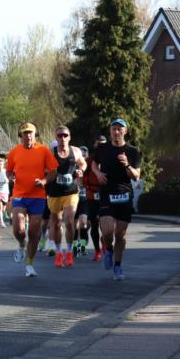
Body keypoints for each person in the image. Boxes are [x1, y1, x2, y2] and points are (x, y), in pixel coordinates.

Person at [5, 122, 58, 277]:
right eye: (25, 132)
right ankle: (21, 243)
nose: (28, 135)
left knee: (34, 231)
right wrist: (11, 177)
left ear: (35, 134)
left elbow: (53, 172)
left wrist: (43, 181)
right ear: (20, 135)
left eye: (31, 132)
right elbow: (8, 171)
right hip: (20, 195)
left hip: (37, 196)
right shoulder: (14, 151)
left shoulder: (43, 150)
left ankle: (29, 264)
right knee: (18, 229)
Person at [92, 118, 142, 281]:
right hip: (107, 194)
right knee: (107, 232)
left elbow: (136, 176)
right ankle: (108, 250)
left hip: (125, 195)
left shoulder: (133, 151)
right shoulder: (102, 148)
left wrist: (127, 165)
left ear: (125, 131)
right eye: (114, 128)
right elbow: (93, 164)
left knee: (120, 235)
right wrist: (98, 174)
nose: (116, 131)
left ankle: (118, 266)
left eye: (120, 129)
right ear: (110, 131)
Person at [45, 126, 87, 268]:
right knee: (56, 223)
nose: (62, 138)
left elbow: (83, 163)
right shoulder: (50, 152)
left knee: (69, 221)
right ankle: (58, 252)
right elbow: (43, 168)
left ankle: (68, 251)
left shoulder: (75, 151)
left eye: (65, 135)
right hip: (54, 193)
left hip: (71, 192)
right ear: (56, 138)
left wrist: (81, 170)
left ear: (69, 137)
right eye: (59, 136)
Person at [83, 135, 107, 261]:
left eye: (104, 144)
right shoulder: (89, 160)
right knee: (94, 222)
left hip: (106, 195)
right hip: (92, 195)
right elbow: (83, 176)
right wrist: (85, 185)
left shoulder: (109, 159)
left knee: (106, 223)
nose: (101, 146)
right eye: (99, 144)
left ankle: (105, 242)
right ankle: (97, 250)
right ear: (95, 145)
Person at [73, 146, 90, 257]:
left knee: (83, 223)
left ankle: (83, 245)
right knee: (74, 225)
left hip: (85, 198)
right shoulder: (72, 167)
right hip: (73, 198)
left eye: (84, 155)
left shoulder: (89, 167)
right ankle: (75, 246)